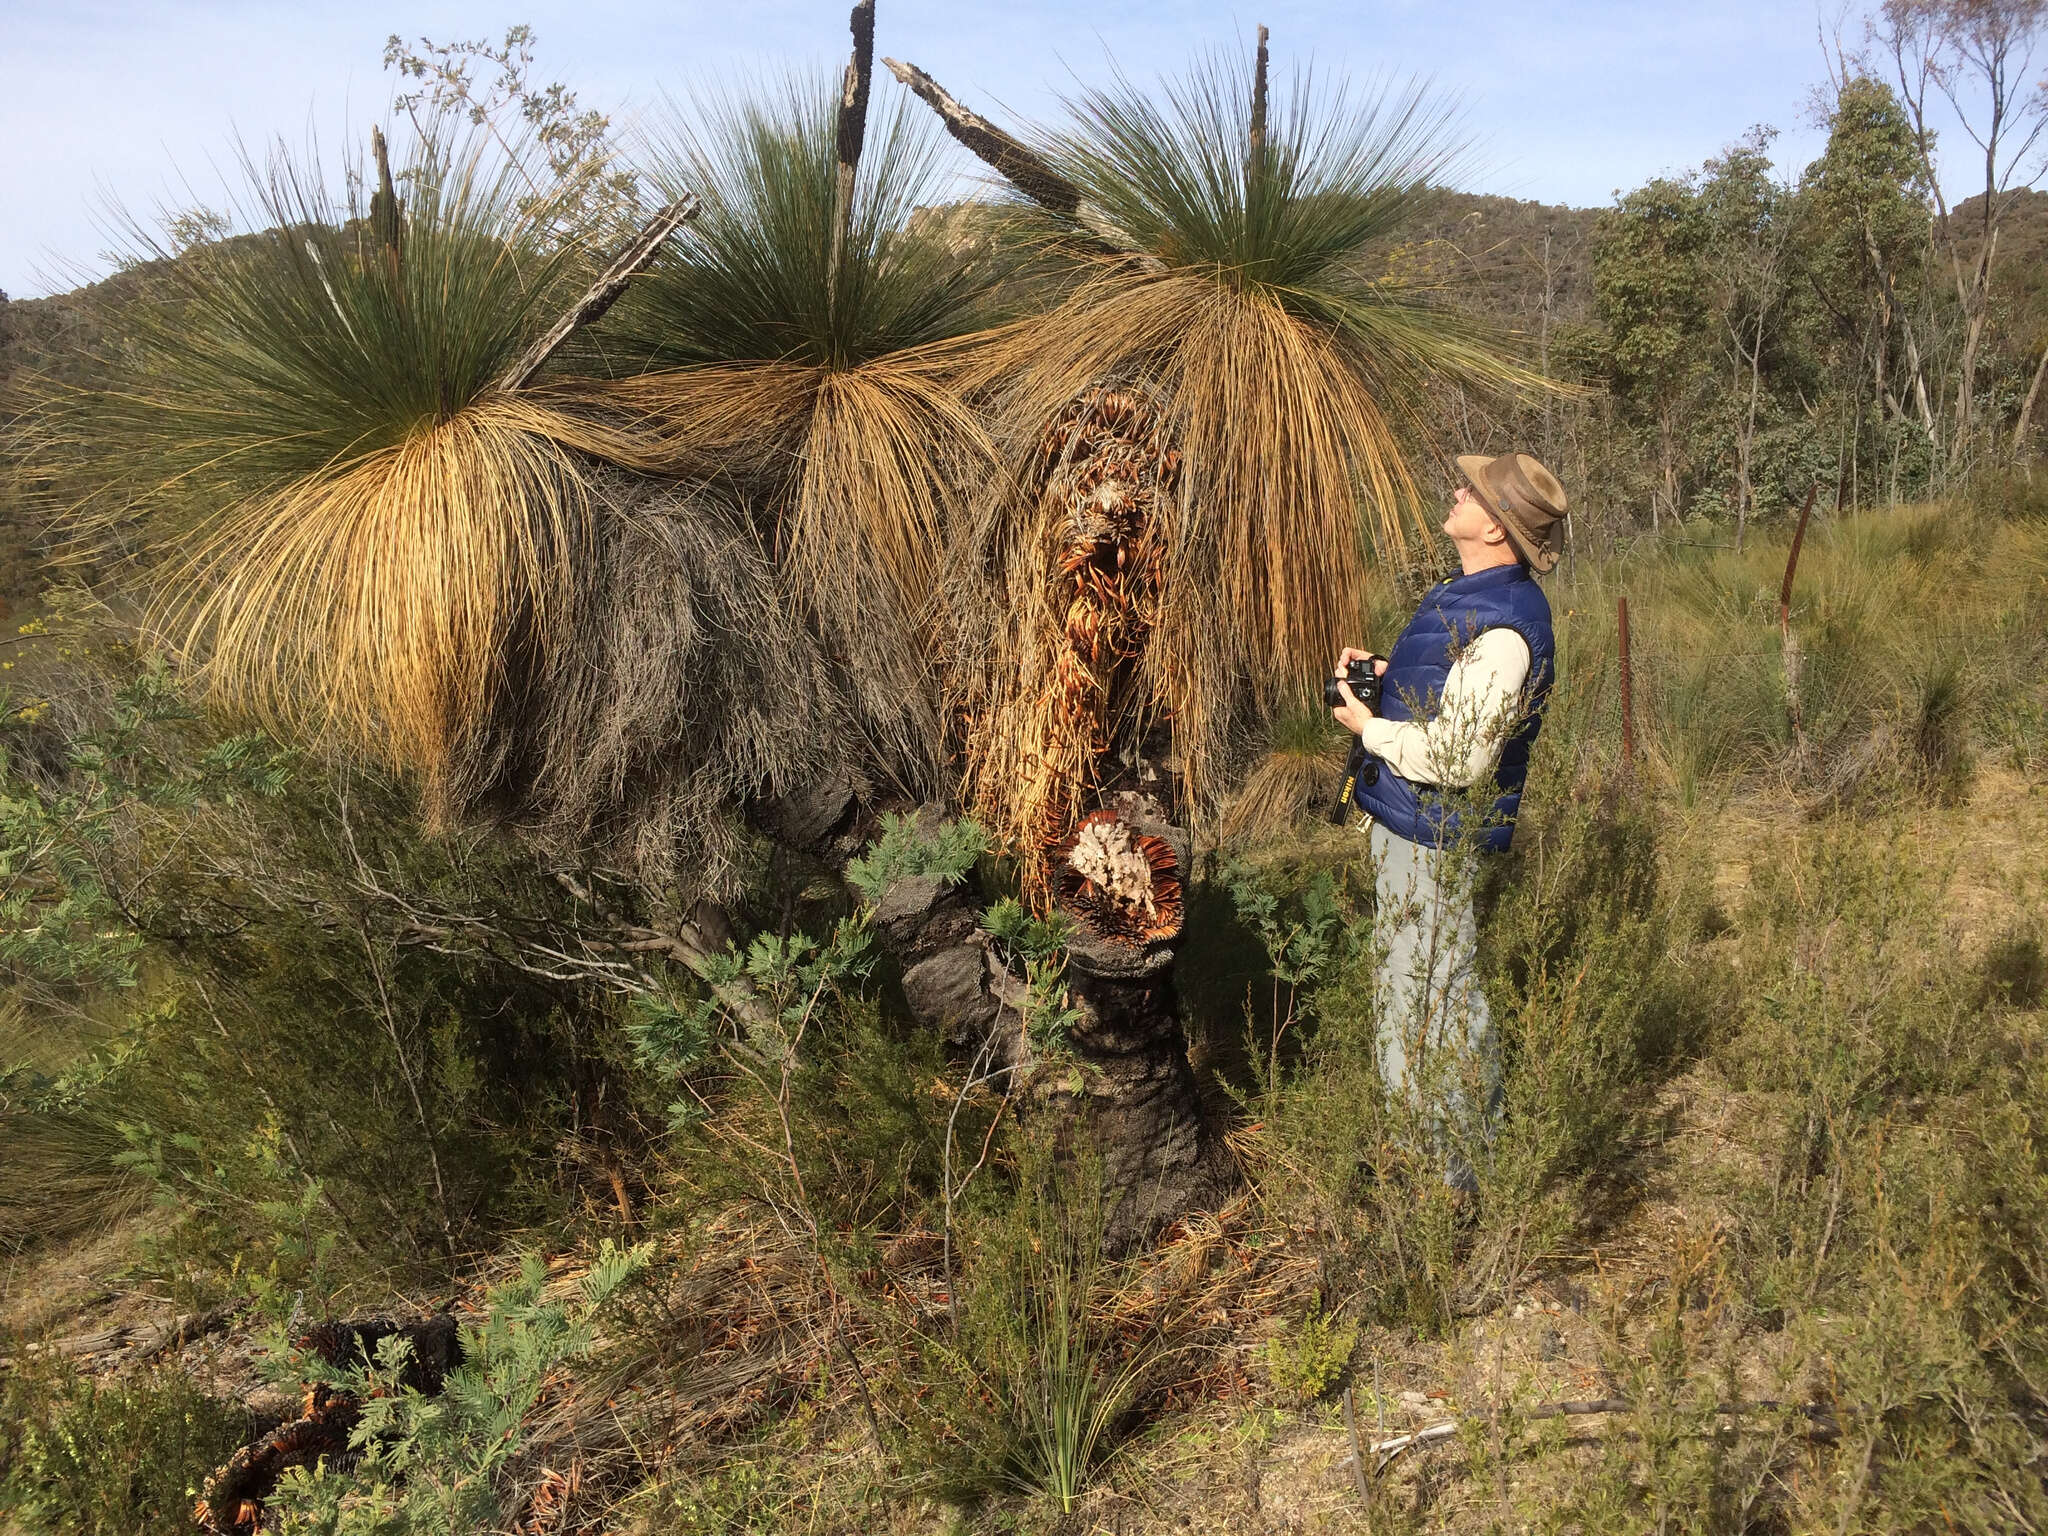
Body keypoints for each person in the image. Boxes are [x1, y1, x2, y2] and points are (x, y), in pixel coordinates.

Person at [1328, 451, 1567, 1188]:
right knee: (1407, 984)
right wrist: (1389, 678)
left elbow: (1460, 761)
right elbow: (1446, 700)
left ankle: (1462, 1176)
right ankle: (1414, 1152)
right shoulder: (1471, 595)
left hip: (1434, 834)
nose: (1457, 490)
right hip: (1409, 827)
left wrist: (1367, 727)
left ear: (1496, 529)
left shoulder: (1503, 633)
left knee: (1440, 991)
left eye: (1473, 490)